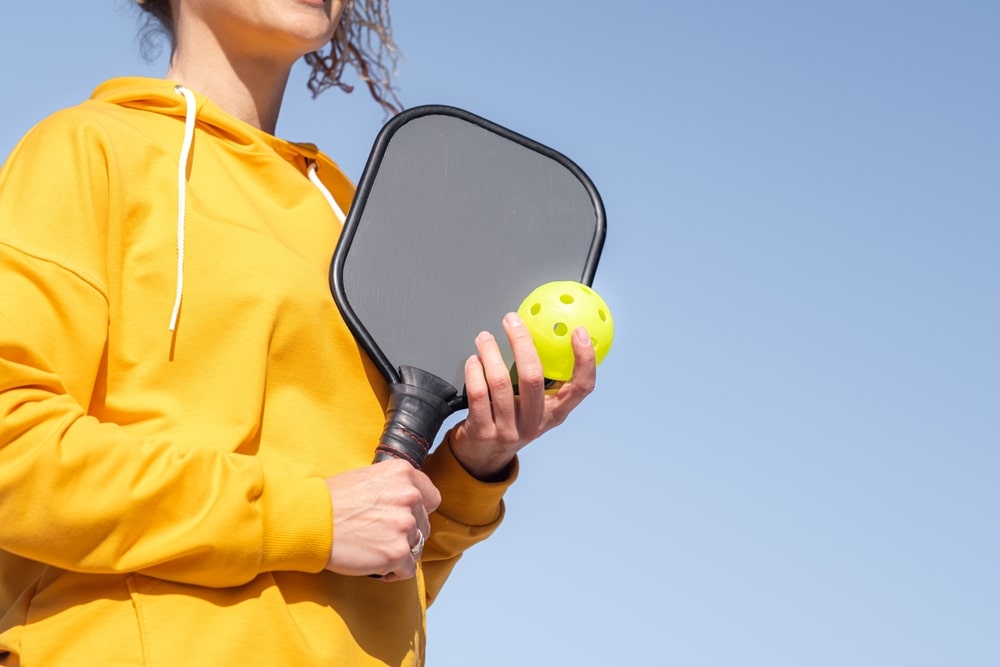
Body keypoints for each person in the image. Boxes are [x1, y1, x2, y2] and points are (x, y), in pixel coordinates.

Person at [0, 1, 596, 665]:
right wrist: (308, 517)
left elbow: (378, 576)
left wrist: (469, 464)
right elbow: (12, 452)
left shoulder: (352, 229)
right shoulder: (87, 149)